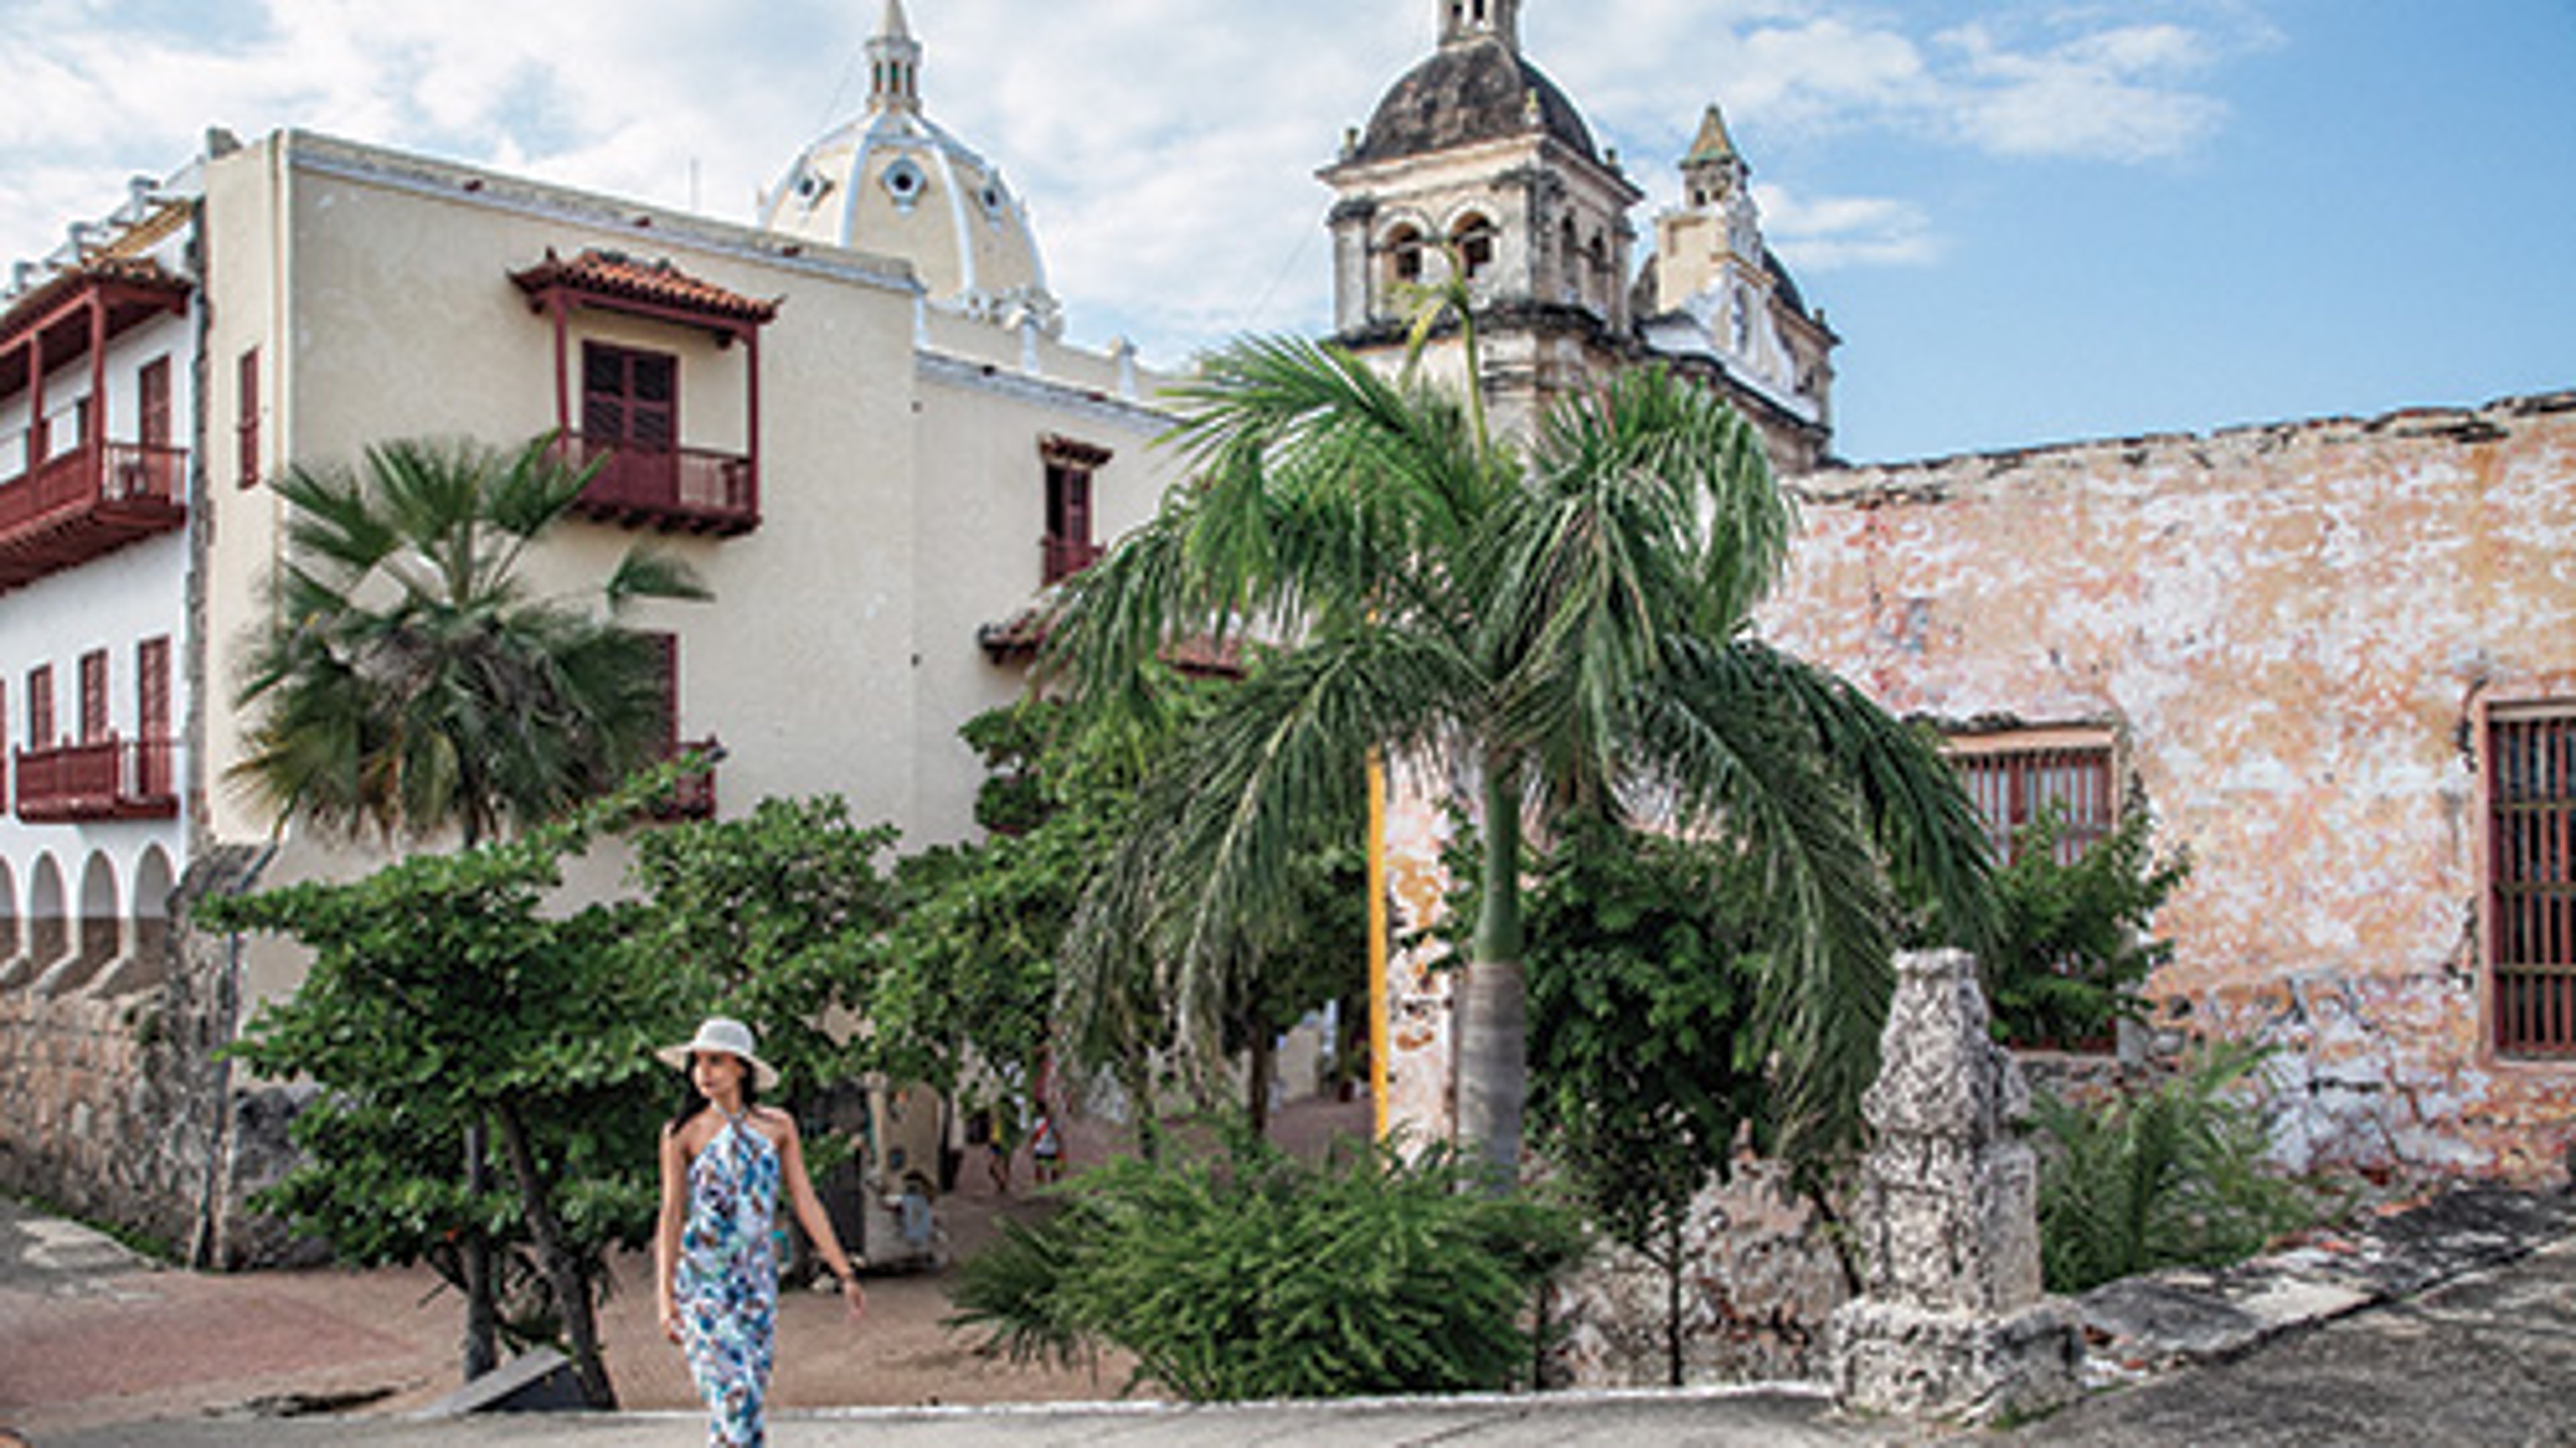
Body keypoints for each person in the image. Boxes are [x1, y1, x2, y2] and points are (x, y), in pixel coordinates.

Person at [655, 1017, 865, 1448]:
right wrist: (665, 1297)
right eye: (697, 1063)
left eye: (715, 1062)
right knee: (735, 1397)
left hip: (756, 1281)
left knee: (743, 1401)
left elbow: (804, 1200)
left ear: (741, 1068)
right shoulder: (683, 1133)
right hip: (703, 1281)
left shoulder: (777, 1126)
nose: (704, 1073)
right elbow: (672, 1215)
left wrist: (843, 1271)